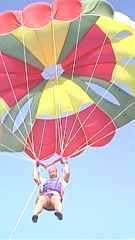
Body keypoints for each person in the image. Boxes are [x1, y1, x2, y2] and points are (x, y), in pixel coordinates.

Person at [32, 158, 70, 223]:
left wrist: (65, 163)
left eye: (53, 171)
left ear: (56, 172)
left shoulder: (61, 180)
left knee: (55, 198)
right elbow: (35, 178)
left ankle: (59, 212)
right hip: (45, 200)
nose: (51, 172)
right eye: (50, 171)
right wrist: (35, 167)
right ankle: (35, 215)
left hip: (55, 199)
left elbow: (67, 173)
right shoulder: (44, 181)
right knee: (41, 199)